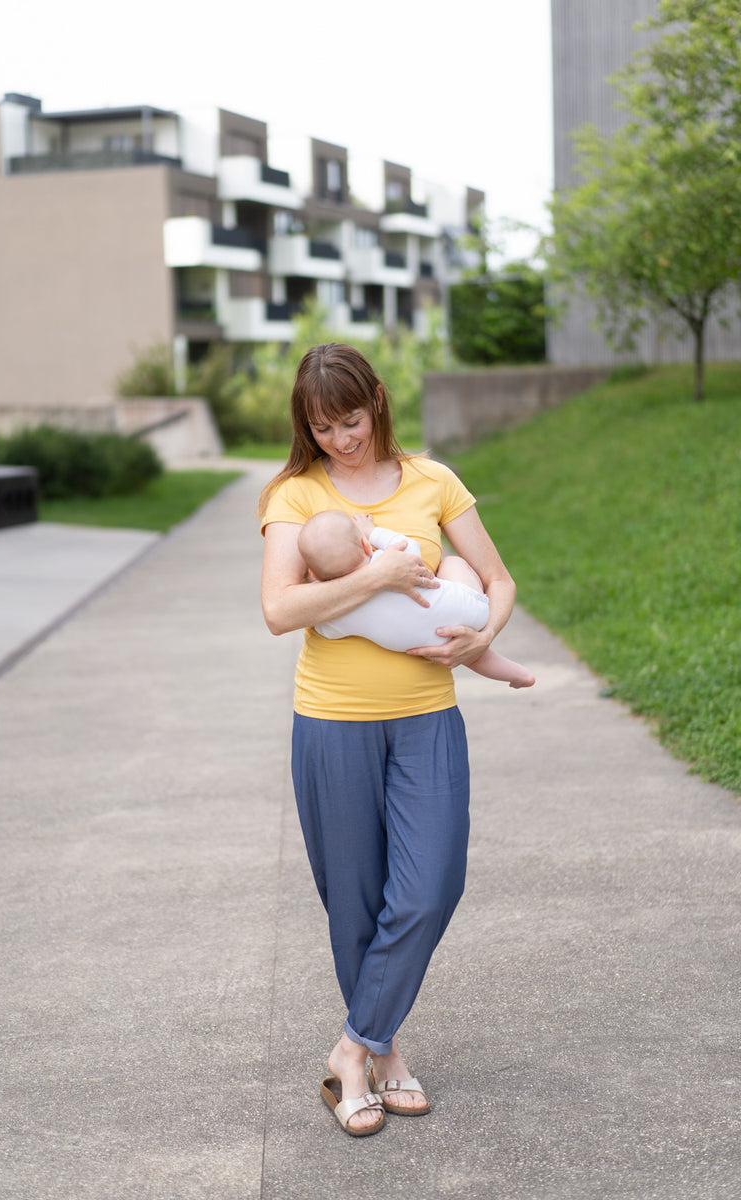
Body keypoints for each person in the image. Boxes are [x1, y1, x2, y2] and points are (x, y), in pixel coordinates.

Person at [259, 343, 520, 1136]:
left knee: (433, 883)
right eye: (323, 426)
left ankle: (351, 1046)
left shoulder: (432, 480)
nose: (342, 438)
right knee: (357, 903)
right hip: (332, 722)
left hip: (428, 715)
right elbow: (278, 610)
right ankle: (385, 1057)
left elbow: (499, 581)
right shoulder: (295, 495)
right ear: (305, 427)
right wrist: (371, 579)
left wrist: (481, 644)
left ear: (376, 400)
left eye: (351, 419)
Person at [297, 508, 535, 689]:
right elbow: (410, 545)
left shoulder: (340, 611)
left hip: (428, 645)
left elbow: (322, 627)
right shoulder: (389, 559)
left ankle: (518, 675)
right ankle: (520, 674)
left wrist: (316, 584)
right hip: (466, 609)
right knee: (452, 563)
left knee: (466, 654)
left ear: (313, 572)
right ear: (364, 545)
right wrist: (371, 531)